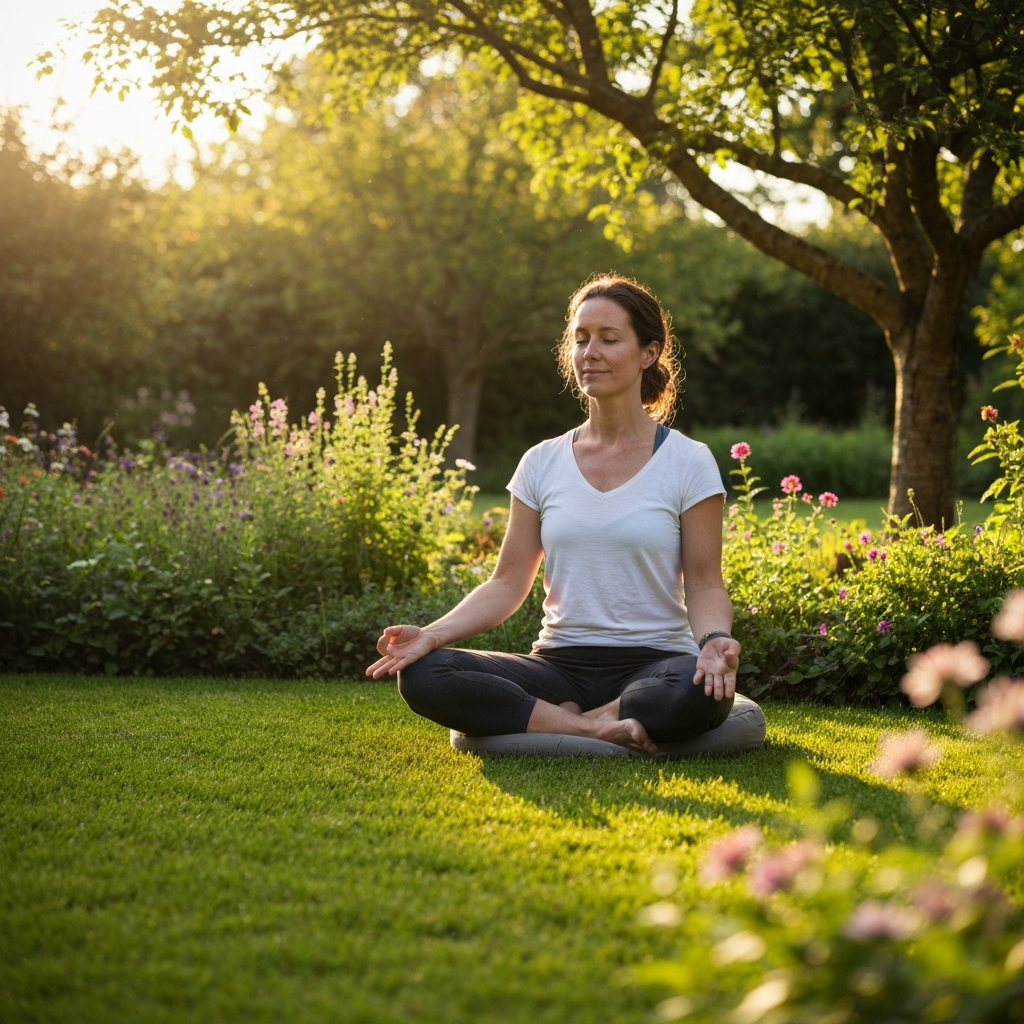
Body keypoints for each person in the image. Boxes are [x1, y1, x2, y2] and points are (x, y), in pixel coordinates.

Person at [367, 275, 742, 754]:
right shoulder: (541, 461)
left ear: (649, 353)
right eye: (580, 339)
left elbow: (706, 583)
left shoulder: (688, 461)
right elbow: (507, 583)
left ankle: (566, 721)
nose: (590, 352)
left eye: (609, 339)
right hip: (558, 665)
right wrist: (431, 635)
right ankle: (596, 727)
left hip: (655, 663)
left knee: (697, 689)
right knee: (424, 673)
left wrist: (713, 641)